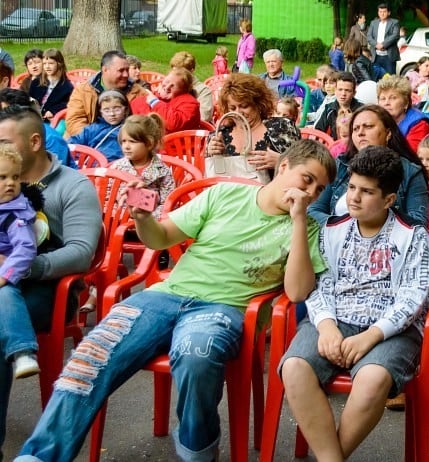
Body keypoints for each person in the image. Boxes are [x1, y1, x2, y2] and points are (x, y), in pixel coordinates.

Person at [17, 139, 334, 462]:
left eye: (319, 189)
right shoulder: (224, 194)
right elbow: (162, 237)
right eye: (306, 179)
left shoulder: (306, 228)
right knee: (91, 355)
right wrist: (142, 218)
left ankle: (197, 452)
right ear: (283, 167)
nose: (310, 193)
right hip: (166, 297)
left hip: (225, 310)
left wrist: (296, 221)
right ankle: (41, 456)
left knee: (196, 353)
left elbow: (296, 293)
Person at [278, 145, 429, 461]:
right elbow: (318, 285)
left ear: (389, 200)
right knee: (294, 367)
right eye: (351, 187)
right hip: (335, 319)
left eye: (366, 192)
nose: (354, 198)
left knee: (373, 378)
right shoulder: (331, 229)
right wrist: (326, 326)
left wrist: (371, 335)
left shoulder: (412, 237)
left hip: (391, 330)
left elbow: (412, 299)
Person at [0, 105, 100, 454]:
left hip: (50, 290)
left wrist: (19, 266)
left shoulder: (73, 186)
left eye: (4, 142)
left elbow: (81, 252)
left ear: (35, 141)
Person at [308, 105, 429, 229]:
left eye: (368, 126)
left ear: (388, 133)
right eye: (355, 129)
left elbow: (418, 224)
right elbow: (313, 210)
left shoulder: (411, 172)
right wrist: (344, 231)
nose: (360, 133)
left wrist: (369, 234)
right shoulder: (340, 165)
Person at [205, 74, 301, 179]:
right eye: (232, 108)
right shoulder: (219, 135)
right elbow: (209, 176)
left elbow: (304, 168)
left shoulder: (282, 128)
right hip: (227, 194)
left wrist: (281, 161)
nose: (238, 112)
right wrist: (212, 153)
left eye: (244, 106)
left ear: (259, 104)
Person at [0, 143, 42, 379]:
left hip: (11, 275)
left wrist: (5, 275)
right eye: (2, 177)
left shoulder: (15, 213)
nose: (10, 183)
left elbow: (26, 247)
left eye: (15, 177)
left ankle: (22, 351)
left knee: (4, 296)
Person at [65, 51, 147, 136]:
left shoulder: (139, 93)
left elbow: (145, 125)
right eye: (121, 70)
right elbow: (74, 121)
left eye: (127, 70)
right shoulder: (83, 91)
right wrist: (96, 140)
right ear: (105, 70)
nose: (126, 75)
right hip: (86, 142)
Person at [109, 114, 175, 218]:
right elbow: (107, 198)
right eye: (123, 141)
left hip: (150, 223)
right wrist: (122, 216)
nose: (126, 146)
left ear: (149, 144)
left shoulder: (162, 171)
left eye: (132, 141)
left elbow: (168, 203)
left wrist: (146, 219)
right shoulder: (116, 168)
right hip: (119, 220)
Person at [130, 67, 202, 133]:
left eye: (173, 86)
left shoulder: (190, 103)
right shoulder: (156, 96)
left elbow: (174, 123)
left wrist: (155, 102)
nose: (167, 87)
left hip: (176, 144)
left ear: (183, 90)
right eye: (167, 81)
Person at [67, 90, 130, 162]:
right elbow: (73, 143)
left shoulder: (129, 131)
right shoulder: (93, 129)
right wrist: (80, 159)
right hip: (88, 167)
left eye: (117, 109)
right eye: (106, 110)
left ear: (126, 110)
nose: (112, 114)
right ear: (101, 112)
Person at [377, 76, 429, 152]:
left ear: (406, 103)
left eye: (393, 98)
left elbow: (410, 156)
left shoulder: (420, 125)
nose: (386, 103)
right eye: (383, 99)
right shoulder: (377, 121)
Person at [29, 49, 73, 122]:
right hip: (32, 118)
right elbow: (28, 97)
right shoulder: (36, 82)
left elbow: (68, 104)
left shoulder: (67, 87)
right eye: (45, 64)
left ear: (59, 63)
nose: (47, 66)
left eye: (51, 63)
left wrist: (53, 111)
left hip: (52, 121)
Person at [312, 72, 362, 138]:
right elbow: (318, 132)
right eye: (340, 90)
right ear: (335, 90)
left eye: (347, 90)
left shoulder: (361, 110)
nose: (343, 93)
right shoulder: (329, 108)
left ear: (354, 93)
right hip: (334, 146)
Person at [169, 51, 214, 123]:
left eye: (180, 73)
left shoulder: (203, 90)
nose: (176, 76)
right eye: (174, 71)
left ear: (192, 71)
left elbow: (204, 117)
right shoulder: (169, 87)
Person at [366, 3, 401, 75]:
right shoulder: (373, 23)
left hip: (389, 56)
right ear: (378, 13)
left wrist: (383, 45)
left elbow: (395, 36)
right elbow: (369, 36)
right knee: (375, 77)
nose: (382, 14)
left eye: (384, 12)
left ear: (389, 13)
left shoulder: (394, 22)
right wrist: (376, 45)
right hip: (376, 56)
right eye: (380, 12)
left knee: (390, 78)